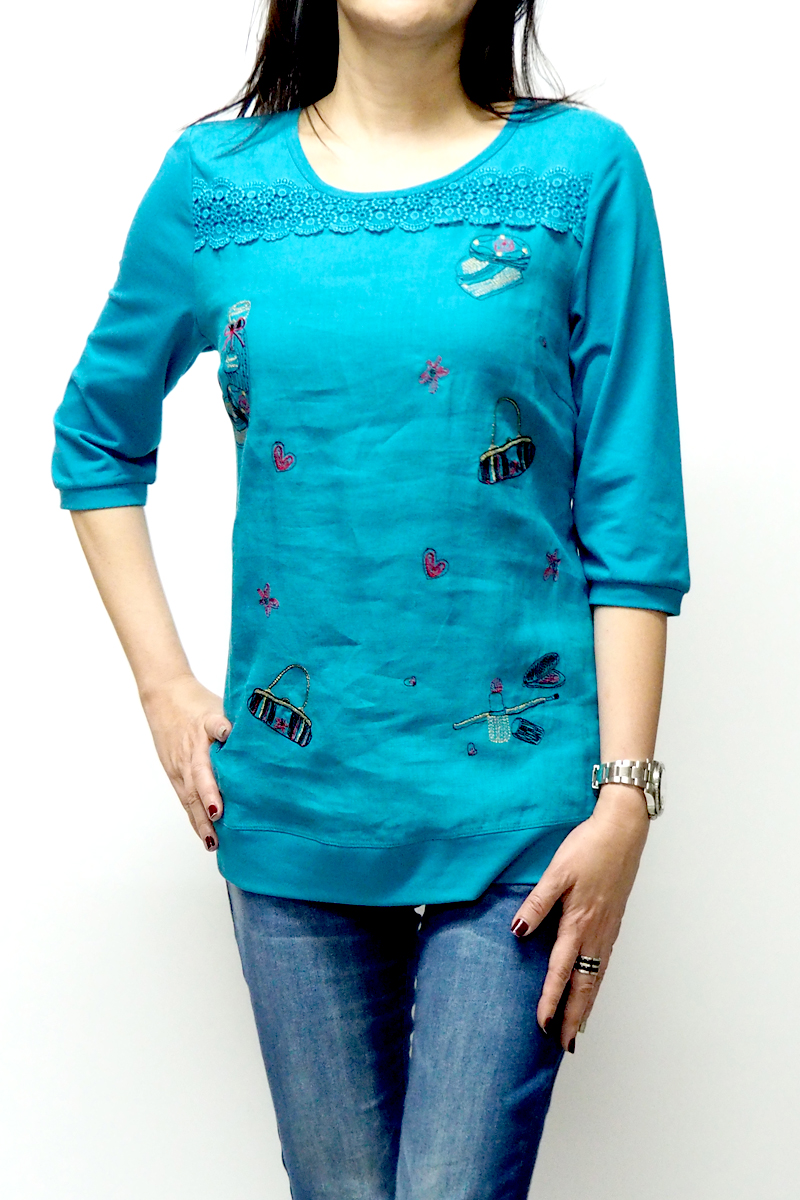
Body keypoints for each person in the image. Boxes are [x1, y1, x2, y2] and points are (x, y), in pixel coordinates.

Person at [51, 1, 690, 1195]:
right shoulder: (215, 185)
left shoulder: (579, 173)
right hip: (297, 804)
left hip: (522, 816)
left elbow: (630, 504)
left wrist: (625, 802)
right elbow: (94, 437)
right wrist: (162, 687)